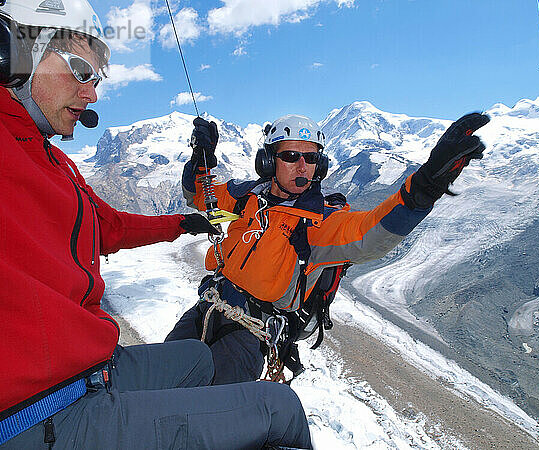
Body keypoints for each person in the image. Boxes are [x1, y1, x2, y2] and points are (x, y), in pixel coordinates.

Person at [0, 1, 312, 448]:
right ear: (16, 55)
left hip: (86, 367)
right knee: (280, 411)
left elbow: (107, 227)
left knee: (198, 359)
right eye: (80, 71)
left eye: (96, 79)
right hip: (41, 410)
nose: (92, 95)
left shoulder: (55, 161)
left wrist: (184, 224)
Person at [167, 111, 490, 385]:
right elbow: (199, 194)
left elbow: (370, 234)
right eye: (291, 156)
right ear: (268, 161)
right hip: (208, 306)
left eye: (311, 158)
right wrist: (201, 156)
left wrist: (424, 188)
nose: (302, 166)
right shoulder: (247, 196)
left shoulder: (321, 220)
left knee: (210, 411)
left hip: (250, 333)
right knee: (157, 379)